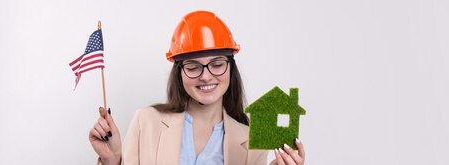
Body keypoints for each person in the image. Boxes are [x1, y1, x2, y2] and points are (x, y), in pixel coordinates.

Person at [89, 10, 306, 165]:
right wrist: (112, 159)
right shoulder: (146, 122)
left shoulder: (250, 140)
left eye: (217, 64)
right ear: (179, 72)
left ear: (231, 68)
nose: (205, 76)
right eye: (193, 67)